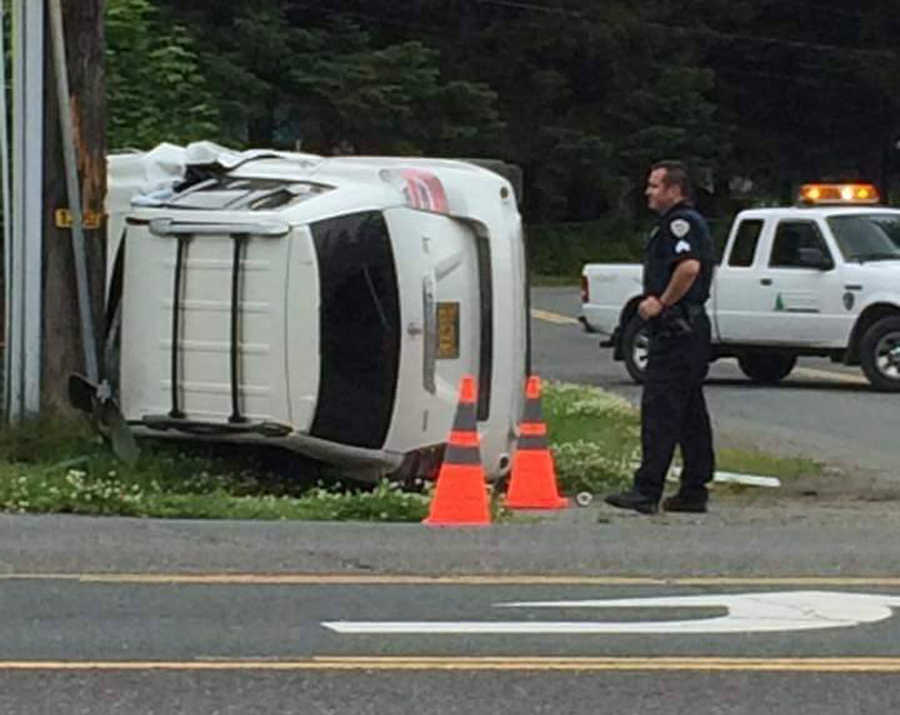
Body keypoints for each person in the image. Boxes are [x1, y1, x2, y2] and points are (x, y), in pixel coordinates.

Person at [605, 160, 715, 514]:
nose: (648, 192)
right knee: (689, 412)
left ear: (675, 190)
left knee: (661, 409)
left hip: (676, 328)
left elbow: (689, 267)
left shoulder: (680, 224)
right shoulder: (681, 223)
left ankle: (647, 489)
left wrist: (661, 302)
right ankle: (694, 488)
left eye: (655, 186)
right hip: (690, 329)